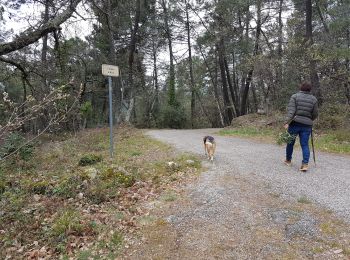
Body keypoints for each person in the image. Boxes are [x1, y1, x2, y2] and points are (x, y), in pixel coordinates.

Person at [284, 81, 318, 171]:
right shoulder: (314, 99)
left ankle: (288, 160)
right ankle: (305, 164)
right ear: (310, 89)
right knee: (305, 144)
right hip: (307, 125)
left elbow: (291, 111)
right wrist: (310, 120)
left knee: (290, 142)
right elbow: (315, 114)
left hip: (294, 123)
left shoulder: (295, 96)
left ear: (301, 88)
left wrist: (287, 122)